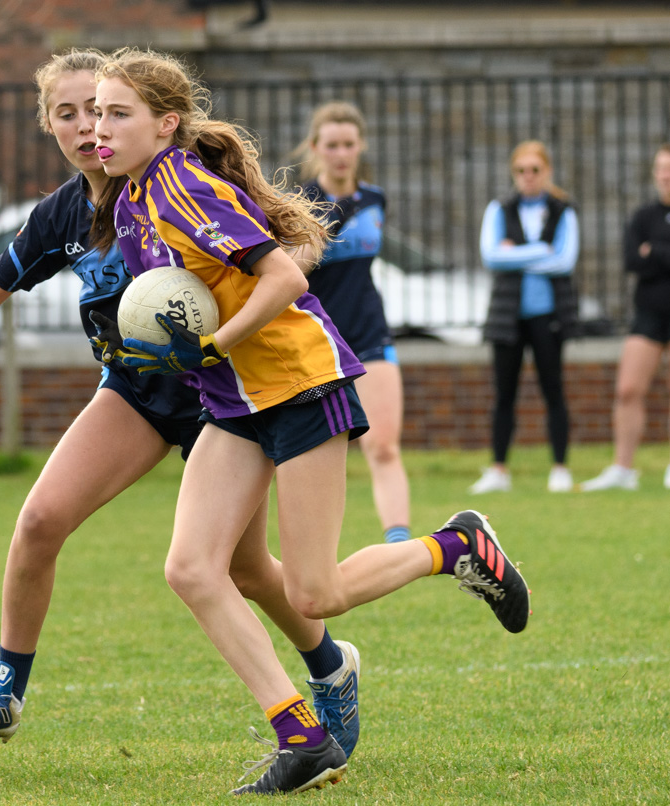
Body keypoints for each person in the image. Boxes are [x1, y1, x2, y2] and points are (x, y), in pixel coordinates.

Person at [0, 49, 363, 759]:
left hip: (218, 395)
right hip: (134, 392)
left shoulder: (174, 184)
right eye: (67, 113)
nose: (83, 126)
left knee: (247, 570)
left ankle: (328, 666)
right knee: (39, 518)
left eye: (94, 110)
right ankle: (5, 691)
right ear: (50, 124)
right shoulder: (65, 212)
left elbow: (268, 264)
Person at [90, 47, 529, 795]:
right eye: (95, 112)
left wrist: (214, 344)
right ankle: (300, 734)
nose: (99, 127)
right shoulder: (131, 201)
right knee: (192, 568)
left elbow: (285, 276)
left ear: (165, 124)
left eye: (116, 113)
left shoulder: (184, 187)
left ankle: (456, 545)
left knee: (314, 595)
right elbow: (183, 300)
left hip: (298, 384)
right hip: (232, 402)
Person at [290, 102, 411, 544]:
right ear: (316, 147)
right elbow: (291, 269)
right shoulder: (299, 203)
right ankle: (317, 549)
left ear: (360, 146)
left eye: (349, 144)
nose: (341, 153)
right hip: (317, 336)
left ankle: (398, 542)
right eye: (332, 145)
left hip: (369, 330)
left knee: (383, 445)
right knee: (323, 451)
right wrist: (335, 213)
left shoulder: (375, 199)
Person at [469, 141, 580, 495]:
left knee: (553, 390)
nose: (528, 177)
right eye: (521, 170)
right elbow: (491, 256)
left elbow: (565, 261)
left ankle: (560, 467)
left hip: (548, 316)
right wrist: (540, 251)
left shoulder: (564, 210)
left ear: (546, 172)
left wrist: (515, 253)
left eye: (535, 170)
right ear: (513, 173)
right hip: (508, 316)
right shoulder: (499, 208)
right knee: (504, 392)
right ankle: (499, 468)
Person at [582, 144, 670, 491]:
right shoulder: (642, 216)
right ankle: (622, 469)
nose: (666, 175)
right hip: (648, 313)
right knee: (628, 389)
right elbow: (632, 260)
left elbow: (649, 256)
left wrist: (656, 251)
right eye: (661, 168)